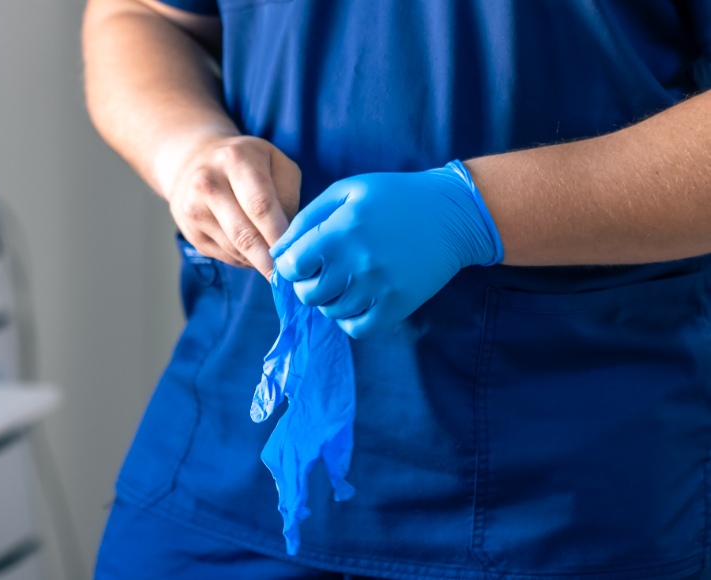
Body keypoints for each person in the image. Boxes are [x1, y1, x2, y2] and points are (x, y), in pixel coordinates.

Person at [83, 0, 711, 578]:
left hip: (561, 487)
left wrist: (477, 211)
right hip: (230, 456)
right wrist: (187, 148)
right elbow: (140, 15)